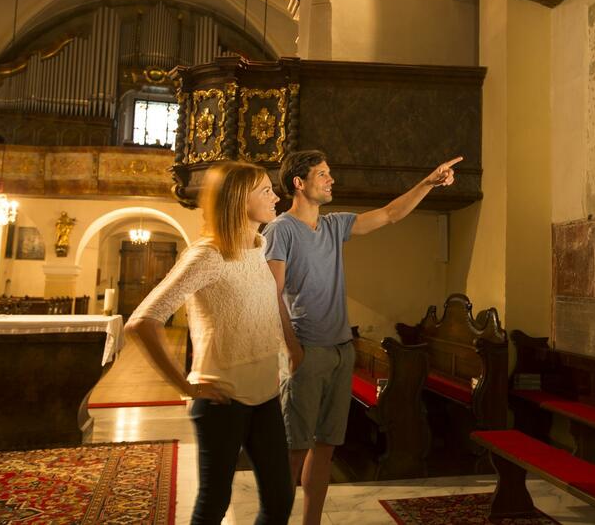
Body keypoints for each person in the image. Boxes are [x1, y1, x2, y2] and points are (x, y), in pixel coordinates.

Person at [264, 150, 461, 525]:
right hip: (306, 352)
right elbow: (270, 295)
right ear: (299, 183)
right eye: (323, 174)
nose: (331, 179)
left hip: (341, 350)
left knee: (325, 449)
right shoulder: (280, 230)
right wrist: (291, 350)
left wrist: (428, 183)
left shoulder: (335, 225)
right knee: (294, 450)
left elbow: (390, 214)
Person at [126, 161, 298, 525]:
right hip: (224, 399)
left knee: (281, 499)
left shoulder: (259, 244)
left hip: (266, 393)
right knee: (213, 505)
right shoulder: (207, 255)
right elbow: (142, 322)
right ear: (239, 200)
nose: (276, 196)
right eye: (265, 191)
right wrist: (184, 384)